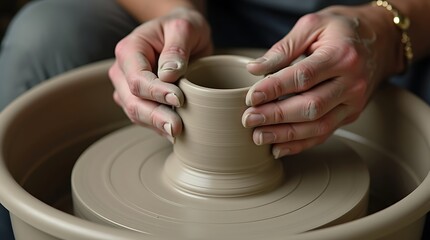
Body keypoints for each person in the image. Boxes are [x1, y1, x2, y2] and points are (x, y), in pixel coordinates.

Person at [1, 0, 430, 239]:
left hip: (380, 21)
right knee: (47, 37)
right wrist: (177, 12)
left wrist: (387, 31)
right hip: (213, 15)